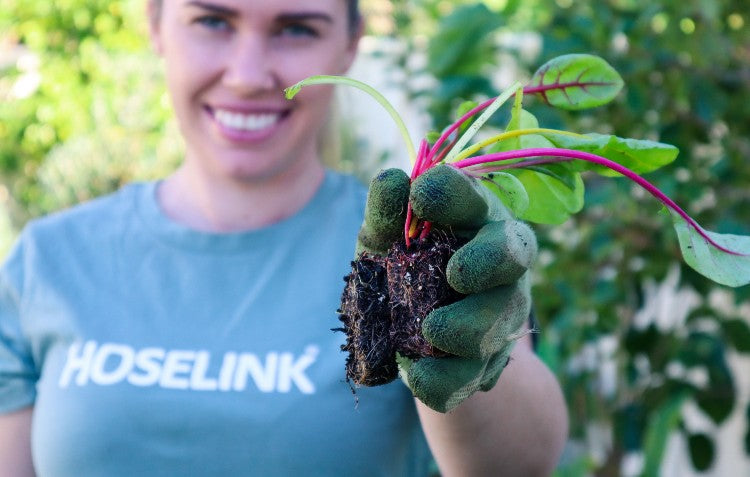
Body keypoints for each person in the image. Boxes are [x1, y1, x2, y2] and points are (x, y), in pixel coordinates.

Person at [0, 0, 568, 475]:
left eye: (296, 28)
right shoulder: (47, 260)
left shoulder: (409, 249)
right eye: (213, 21)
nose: (248, 75)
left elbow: (519, 463)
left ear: (350, 45)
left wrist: (471, 342)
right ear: (155, 26)